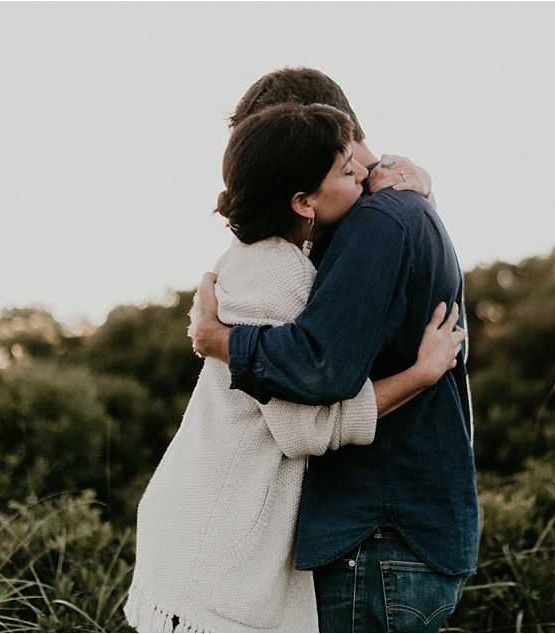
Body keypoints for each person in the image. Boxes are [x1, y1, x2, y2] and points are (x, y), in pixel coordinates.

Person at [124, 102, 466, 633]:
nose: (365, 171)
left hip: (213, 532)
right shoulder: (279, 277)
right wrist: (421, 376)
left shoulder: (282, 253)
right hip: (217, 546)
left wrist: (418, 179)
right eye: (346, 164)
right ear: (301, 200)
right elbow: (306, 424)